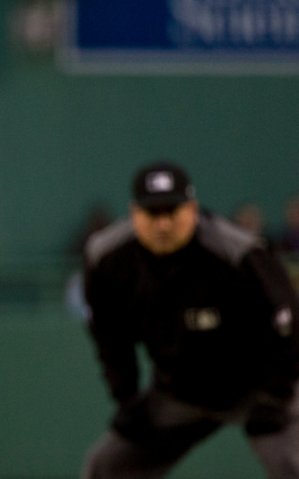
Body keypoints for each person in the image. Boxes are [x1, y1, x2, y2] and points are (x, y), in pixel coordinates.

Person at [82, 161, 299, 479]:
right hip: (180, 393)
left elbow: (289, 319)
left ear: (193, 209)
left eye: (173, 211)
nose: (164, 224)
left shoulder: (237, 252)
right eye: (152, 213)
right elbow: (108, 332)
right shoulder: (107, 257)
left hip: (262, 386)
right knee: (106, 467)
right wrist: (127, 397)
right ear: (133, 213)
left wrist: (276, 393)